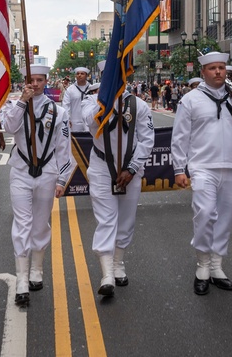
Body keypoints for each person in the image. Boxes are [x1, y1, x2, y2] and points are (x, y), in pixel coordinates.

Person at [172, 51, 232, 296]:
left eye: (221, 67)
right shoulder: (190, 99)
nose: (218, 72)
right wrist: (179, 168)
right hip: (202, 166)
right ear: (203, 72)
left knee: (225, 218)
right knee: (204, 213)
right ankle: (202, 263)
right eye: (212, 68)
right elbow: (179, 137)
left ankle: (216, 265)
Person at [2, 64, 73, 306]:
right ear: (25, 81)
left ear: (46, 81)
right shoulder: (14, 105)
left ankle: (37, 270)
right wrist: (22, 101)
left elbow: (64, 148)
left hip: (47, 172)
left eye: (40, 80)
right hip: (21, 172)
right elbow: (9, 128)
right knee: (22, 223)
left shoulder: (59, 111)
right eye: (31, 80)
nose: (35, 84)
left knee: (40, 224)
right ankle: (21, 279)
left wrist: (62, 179)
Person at [81, 76, 155, 298]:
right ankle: (107, 275)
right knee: (106, 219)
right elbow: (90, 121)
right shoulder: (91, 102)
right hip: (102, 166)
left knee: (126, 219)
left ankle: (118, 262)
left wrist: (131, 169)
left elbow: (147, 139)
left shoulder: (138, 105)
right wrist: (105, 102)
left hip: (130, 169)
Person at [62, 67, 93, 138]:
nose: (79, 75)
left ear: (87, 76)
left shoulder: (92, 88)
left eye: (82, 74)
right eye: (78, 74)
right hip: (75, 122)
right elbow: (65, 105)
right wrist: (67, 118)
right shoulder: (70, 89)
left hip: (89, 121)